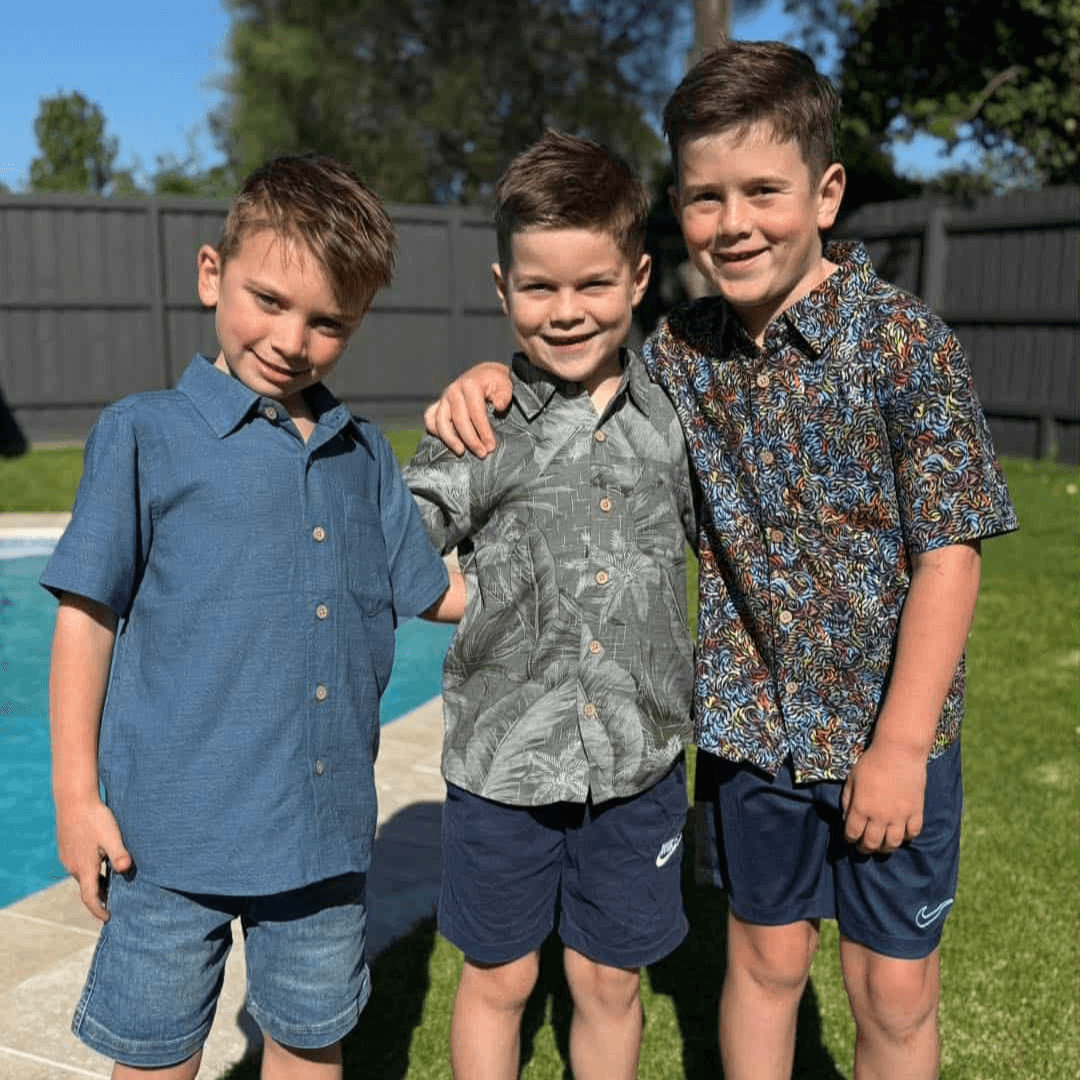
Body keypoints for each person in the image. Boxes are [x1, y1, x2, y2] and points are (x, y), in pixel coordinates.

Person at [421, 42, 1019, 1080]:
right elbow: (576, 372)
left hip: (891, 731)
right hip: (751, 735)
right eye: (705, 197)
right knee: (764, 960)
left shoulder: (906, 346)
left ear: (827, 192)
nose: (734, 222)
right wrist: (490, 374)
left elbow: (950, 557)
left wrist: (899, 746)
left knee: (894, 987)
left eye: (763, 191)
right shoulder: (680, 355)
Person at [41, 153, 465, 1080]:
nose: (291, 338)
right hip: (167, 840)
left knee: (311, 1046)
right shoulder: (144, 434)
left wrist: (548, 544)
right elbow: (86, 619)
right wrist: (76, 800)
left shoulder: (363, 456)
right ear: (211, 274)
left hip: (319, 838)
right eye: (267, 300)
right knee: (154, 1058)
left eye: (327, 323)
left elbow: (435, 592)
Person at [402, 130, 697, 1080]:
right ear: (502, 289)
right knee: (499, 979)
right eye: (538, 288)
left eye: (592, 285)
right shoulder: (475, 424)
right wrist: (493, 596)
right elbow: (398, 561)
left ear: (639, 277)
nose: (565, 312)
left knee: (610, 984)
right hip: (501, 770)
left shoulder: (678, 416)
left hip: (639, 765)